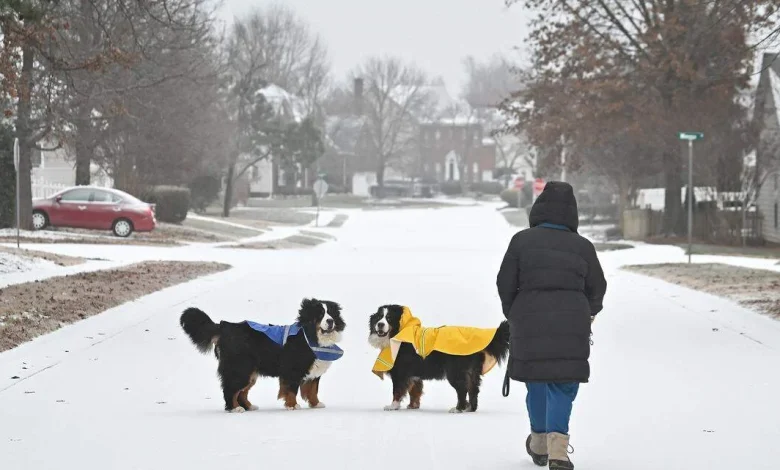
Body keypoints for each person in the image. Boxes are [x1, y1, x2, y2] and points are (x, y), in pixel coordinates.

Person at [496, 181, 607, 470]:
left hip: (529, 321)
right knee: (563, 383)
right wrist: (588, 313)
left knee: (537, 381)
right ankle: (558, 451)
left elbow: (504, 282)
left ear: (539, 209)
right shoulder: (583, 247)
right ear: (572, 213)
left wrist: (514, 312)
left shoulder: (521, 241)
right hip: (572, 323)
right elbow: (598, 287)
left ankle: (539, 443)